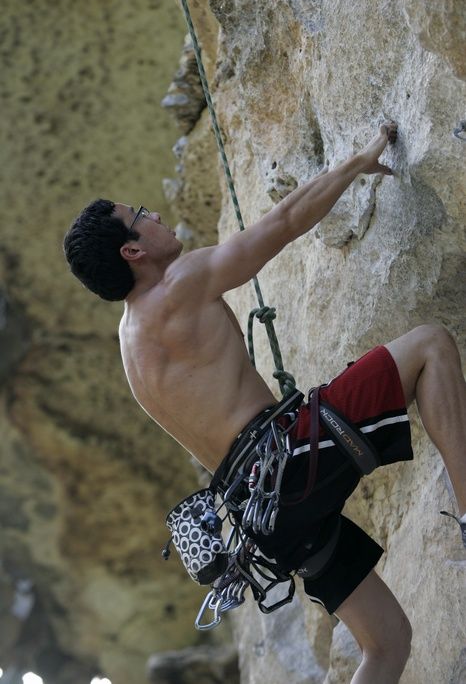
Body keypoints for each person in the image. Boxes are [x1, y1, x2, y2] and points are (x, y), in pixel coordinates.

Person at [64, 123, 466, 684]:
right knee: (430, 345)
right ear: (133, 250)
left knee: (388, 643)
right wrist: (353, 163)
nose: (154, 214)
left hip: (264, 518)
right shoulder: (174, 287)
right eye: (141, 216)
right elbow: (281, 226)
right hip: (290, 459)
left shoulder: (132, 344)